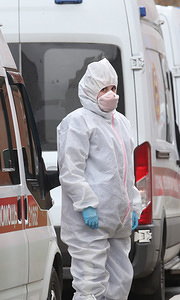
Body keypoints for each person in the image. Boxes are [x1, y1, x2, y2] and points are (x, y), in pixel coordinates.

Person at [57, 58, 141, 300]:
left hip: (118, 218)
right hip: (89, 221)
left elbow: (127, 171)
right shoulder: (77, 122)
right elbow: (71, 170)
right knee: (90, 284)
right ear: (91, 91)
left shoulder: (121, 122)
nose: (110, 94)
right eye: (103, 89)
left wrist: (133, 205)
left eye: (113, 88)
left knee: (121, 280)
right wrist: (86, 205)